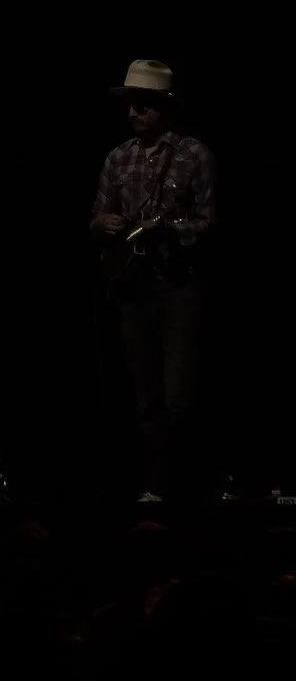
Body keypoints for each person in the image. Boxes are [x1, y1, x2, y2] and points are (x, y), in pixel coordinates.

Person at [90, 59, 216, 503]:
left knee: (178, 395)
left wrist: (168, 230)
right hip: (132, 287)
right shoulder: (117, 157)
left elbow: (208, 222)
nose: (132, 113)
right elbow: (97, 217)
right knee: (142, 396)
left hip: (179, 285)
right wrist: (101, 225)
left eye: (141, 105)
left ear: (164, 107)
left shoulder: (194, 155)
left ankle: (181, 486)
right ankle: (152, 488)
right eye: (129, 105)